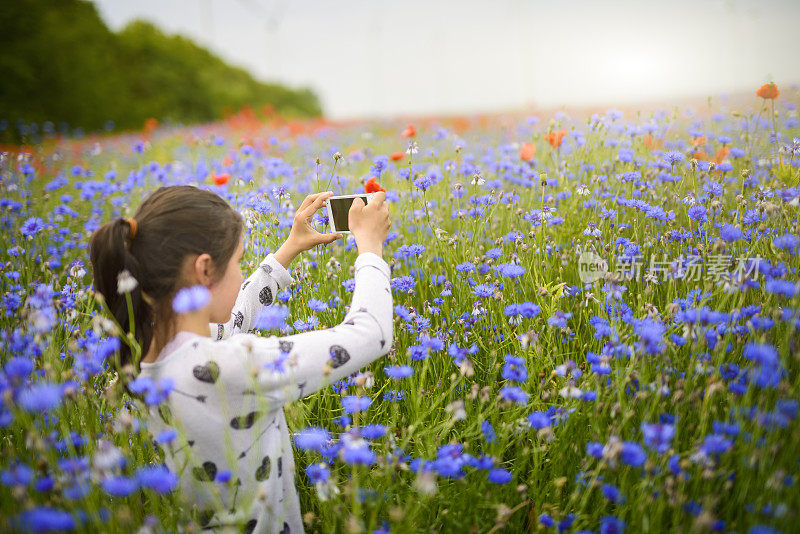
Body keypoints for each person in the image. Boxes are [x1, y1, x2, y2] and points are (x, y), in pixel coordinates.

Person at [88, 185, 393, 534]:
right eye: (237, 262)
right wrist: (370, 248)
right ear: (204, 270)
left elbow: (233, 322)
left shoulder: (141, 365)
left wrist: (290, 248)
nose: (239, 272)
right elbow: (372, 333)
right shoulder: (237, 367)